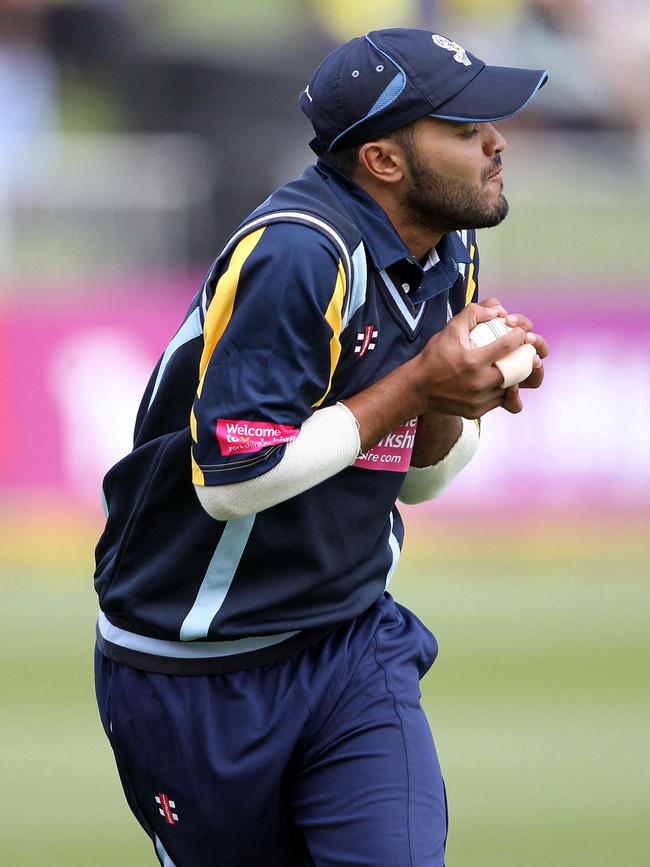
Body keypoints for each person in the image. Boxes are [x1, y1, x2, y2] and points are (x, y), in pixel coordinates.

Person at [94, 27, 549, 867]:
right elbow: (234, 478)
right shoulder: (301, 251)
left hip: (350, 645)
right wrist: (419, 386)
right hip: (192, 665)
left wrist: (458, 401)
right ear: (381, 160)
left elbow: (416, 483)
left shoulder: (447, 247)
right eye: (463, 128)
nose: (497, 143)